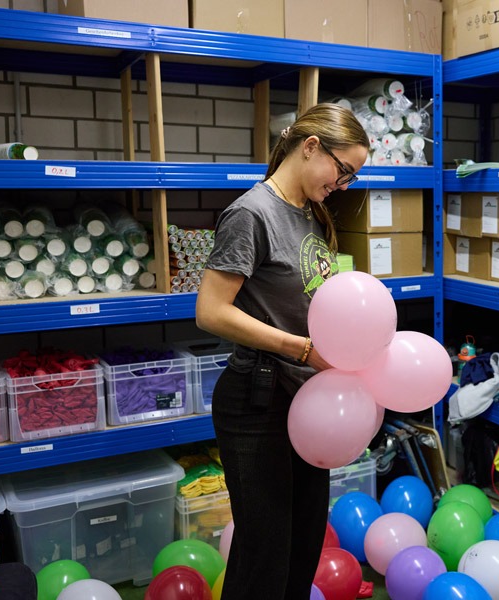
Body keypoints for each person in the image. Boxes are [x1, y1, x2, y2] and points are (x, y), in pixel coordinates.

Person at [195, 103, 369, 599]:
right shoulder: (251, 213)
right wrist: (302, 349)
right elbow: (210, 310)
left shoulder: (310, 215)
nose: (345, 185)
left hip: (305, 403)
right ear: (311, 147)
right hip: (258, 401)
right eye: (345, 171)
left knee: (302, 548)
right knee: (264, 559)